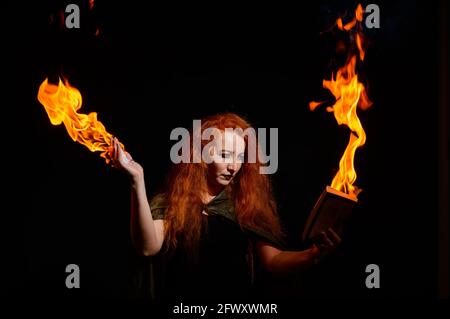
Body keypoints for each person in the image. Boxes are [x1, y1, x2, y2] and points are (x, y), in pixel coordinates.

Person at [109, 112, 341, 301]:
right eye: (224, 154)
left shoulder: (245, 203)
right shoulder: (173, 200)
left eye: (240, 157)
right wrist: (136, 180)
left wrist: (312, 254)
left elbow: (273, 261)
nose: (233, 166)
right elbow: (148, 248)